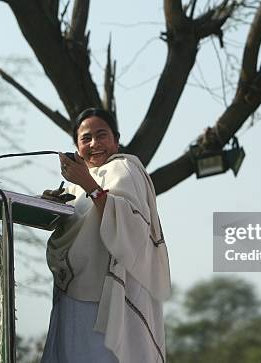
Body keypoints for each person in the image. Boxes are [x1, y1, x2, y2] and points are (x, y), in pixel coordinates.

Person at [40, 108, 171, 363]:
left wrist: (90, 185)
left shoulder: (125, 168)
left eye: (101, 135)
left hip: (109, 299)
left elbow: (132, 227)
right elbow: (71, 228)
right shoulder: (74, 184)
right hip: (72, 295)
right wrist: (50, 206)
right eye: (85, 139)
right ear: (77, 147)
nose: (94, 144)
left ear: (115, 140)